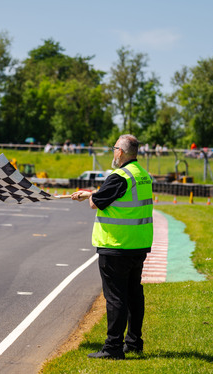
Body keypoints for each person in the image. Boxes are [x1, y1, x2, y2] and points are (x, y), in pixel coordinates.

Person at [71, 134, 153, 360]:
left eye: (115, 148)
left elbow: (96, 203)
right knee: (134, 295)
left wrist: (90, 196)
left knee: (116, 297)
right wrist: (90, 192)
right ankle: (134, 342)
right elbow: (116, 197)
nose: (113, 152)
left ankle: (113, 348)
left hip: (117, 245)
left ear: (121, 152)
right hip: (138, 244)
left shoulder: (120, 176)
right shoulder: (142, 175)